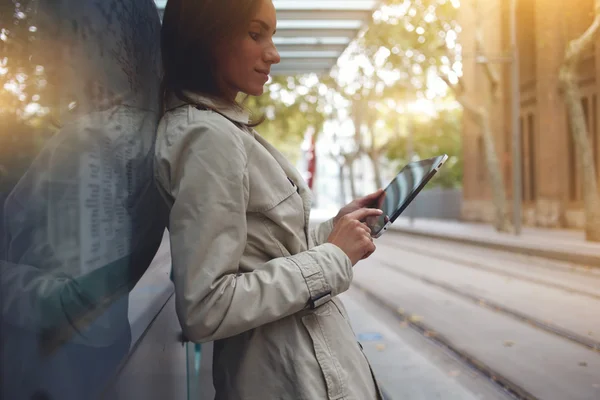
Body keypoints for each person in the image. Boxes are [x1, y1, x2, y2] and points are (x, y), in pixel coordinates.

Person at [155, 0, 385, 398]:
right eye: (255, 34)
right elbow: (206, 308)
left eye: (273, 36)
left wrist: (335, 230)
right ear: (208, 34)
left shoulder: (223, 127)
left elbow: (265, 250)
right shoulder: (208, 139)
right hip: (291, 378)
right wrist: (333, 257)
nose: (273, 54)